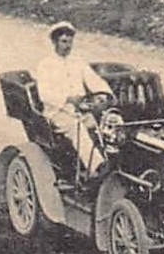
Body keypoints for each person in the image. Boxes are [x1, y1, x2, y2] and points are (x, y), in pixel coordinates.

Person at [31, 21, 114, 178]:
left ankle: (110, 163)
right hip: (57, 112)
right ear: (54, 42)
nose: (67, 46)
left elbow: (93, 79)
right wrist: (67, 99)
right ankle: (97, 168)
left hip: (80, 109)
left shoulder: (78, 62)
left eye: (70, 42)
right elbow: (45, 94)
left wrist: (103, 94)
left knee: (103, 126)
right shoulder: (45, 65)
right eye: (63, 42)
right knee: (77, 129)